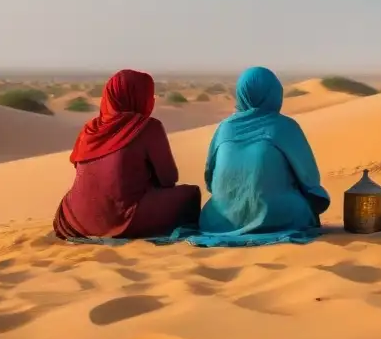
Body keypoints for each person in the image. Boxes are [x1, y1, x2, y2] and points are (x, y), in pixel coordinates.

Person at [53, 69, 201, 240]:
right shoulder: (147, 127)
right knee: (191, 195)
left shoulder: (89, 129)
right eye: (148, 94)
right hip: (122, 219)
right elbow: (168, 179)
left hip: (75, 221)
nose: (151, 100)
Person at [199, 66, 330, 238]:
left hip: (219, 222)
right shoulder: (284, 126)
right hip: (275, 217)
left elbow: (210, 179)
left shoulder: (225, 128)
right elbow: (309, 179)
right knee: (304, 205)